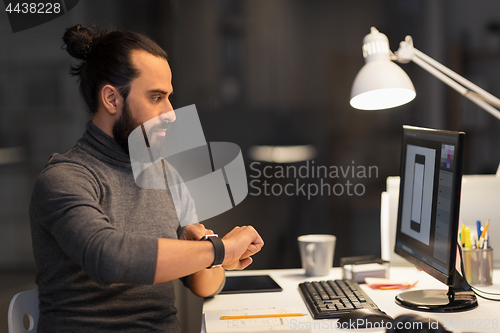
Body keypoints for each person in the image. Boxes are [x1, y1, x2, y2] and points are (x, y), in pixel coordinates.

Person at [29, 24, 264, 333]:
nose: (171, 112)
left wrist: (211, 254)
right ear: (112, 99)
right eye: (156, 97)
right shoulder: (64, 178)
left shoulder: (166, 176)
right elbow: (108, 257)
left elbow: (204, 286)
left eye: (169, 97)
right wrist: (220, 250)